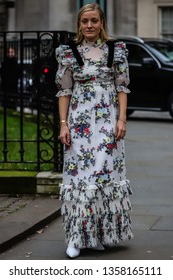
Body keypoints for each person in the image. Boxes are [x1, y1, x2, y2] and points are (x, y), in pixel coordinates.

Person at [55, 3, 133, 259]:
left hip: (108, 126)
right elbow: (64, 92)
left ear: (102, 23)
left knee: (103, 179)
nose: (89, 25)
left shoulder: (116, 50)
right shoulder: (69, 53)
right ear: (79, 24)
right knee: (81, 181)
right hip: (80, 127)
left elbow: (122, 87)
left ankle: (97, 235)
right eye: (85, 21)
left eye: (94, 21)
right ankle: (76, 238)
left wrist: (121, 120)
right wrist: (63, 124)